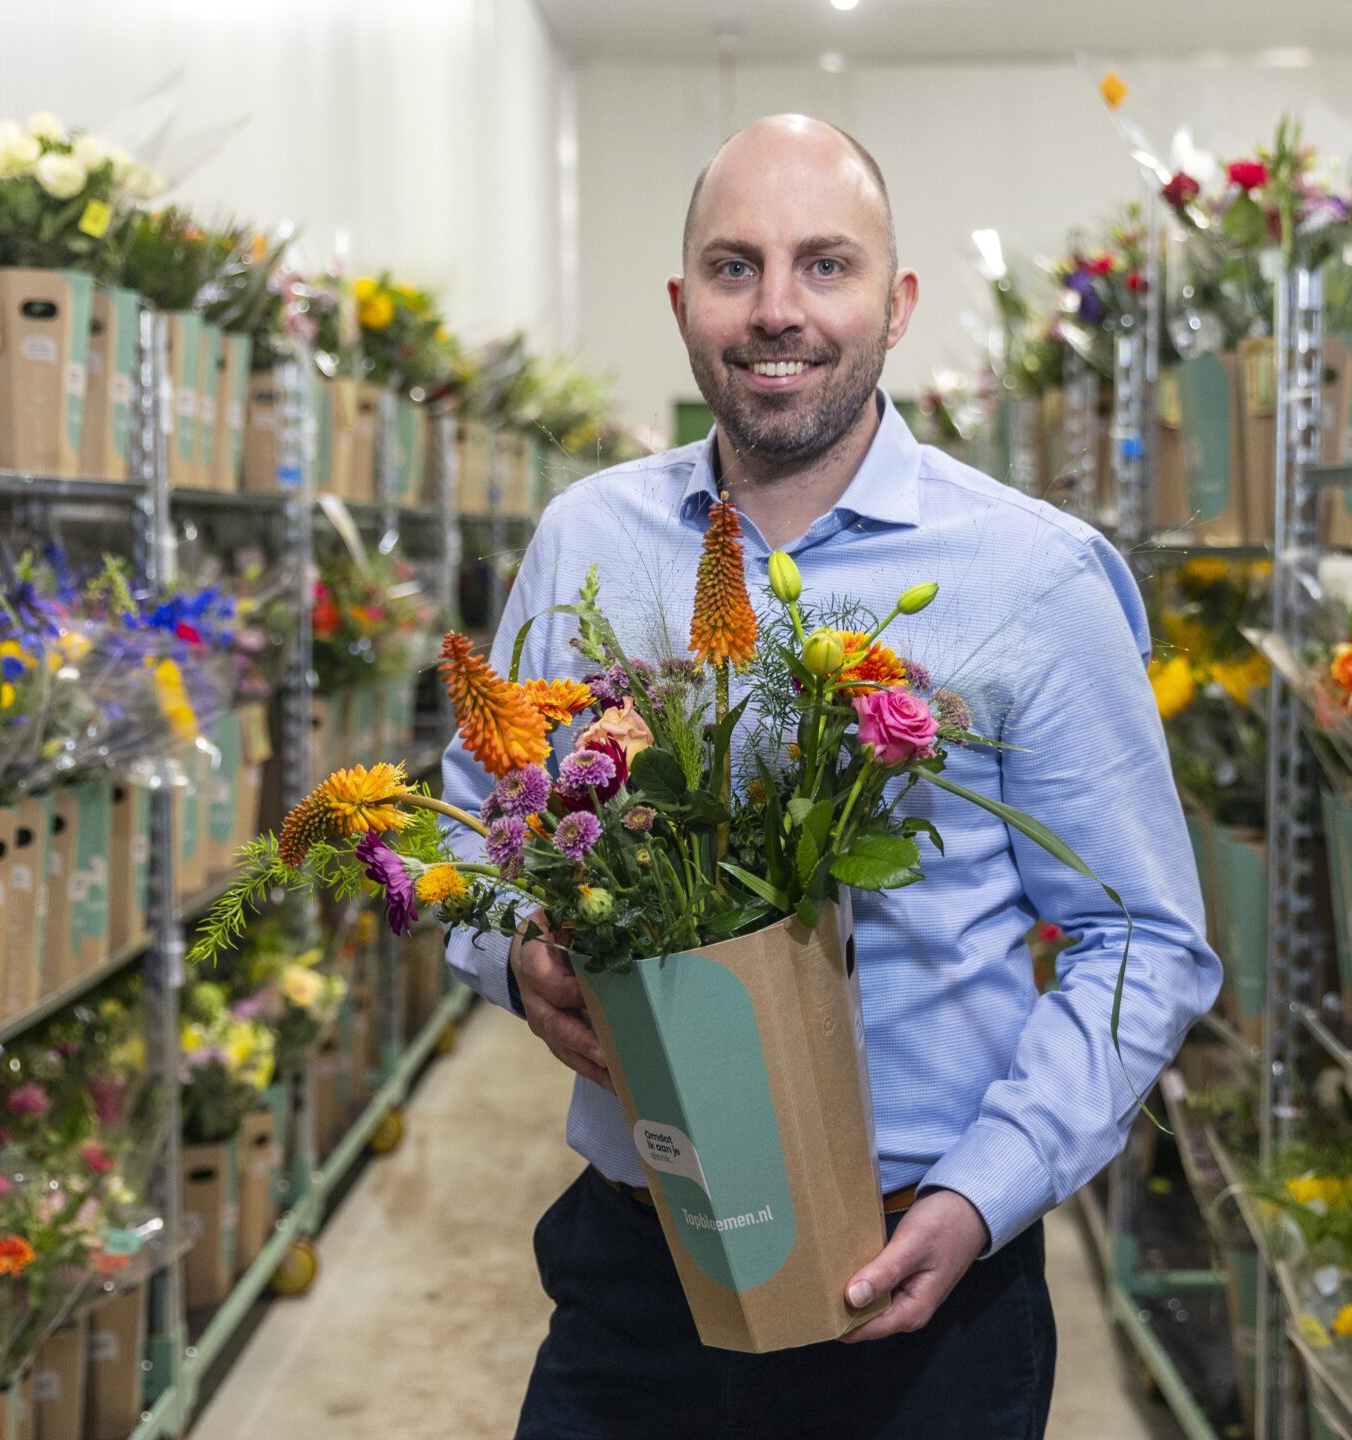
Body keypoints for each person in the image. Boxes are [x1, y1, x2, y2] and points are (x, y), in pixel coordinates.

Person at [441, 113, 1218, 1439]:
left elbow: (1141, 934)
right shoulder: (589, 542)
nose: (777, 310)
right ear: (684, 304)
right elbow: (474, 814)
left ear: (898, 303)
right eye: (735, 268)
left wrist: (990, 1189)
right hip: (639, 1272)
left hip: (922, 1291)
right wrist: (511, 958)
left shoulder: (1032, 577)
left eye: (826, 265)